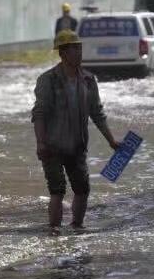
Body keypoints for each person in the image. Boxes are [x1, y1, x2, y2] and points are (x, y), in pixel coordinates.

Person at [32, 29, 120, 231]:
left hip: (77, 146)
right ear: (62, 53)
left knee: (82, 189)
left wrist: (111, 140)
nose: (79, 53)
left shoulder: (88, 80)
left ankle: (77, 227)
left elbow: (97, 113)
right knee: (57, 190)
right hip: (52, 146)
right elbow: (39, 114)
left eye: (80, 49)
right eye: (74, 50)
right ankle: (54, 231)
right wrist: (40, 143)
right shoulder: (48, 80)